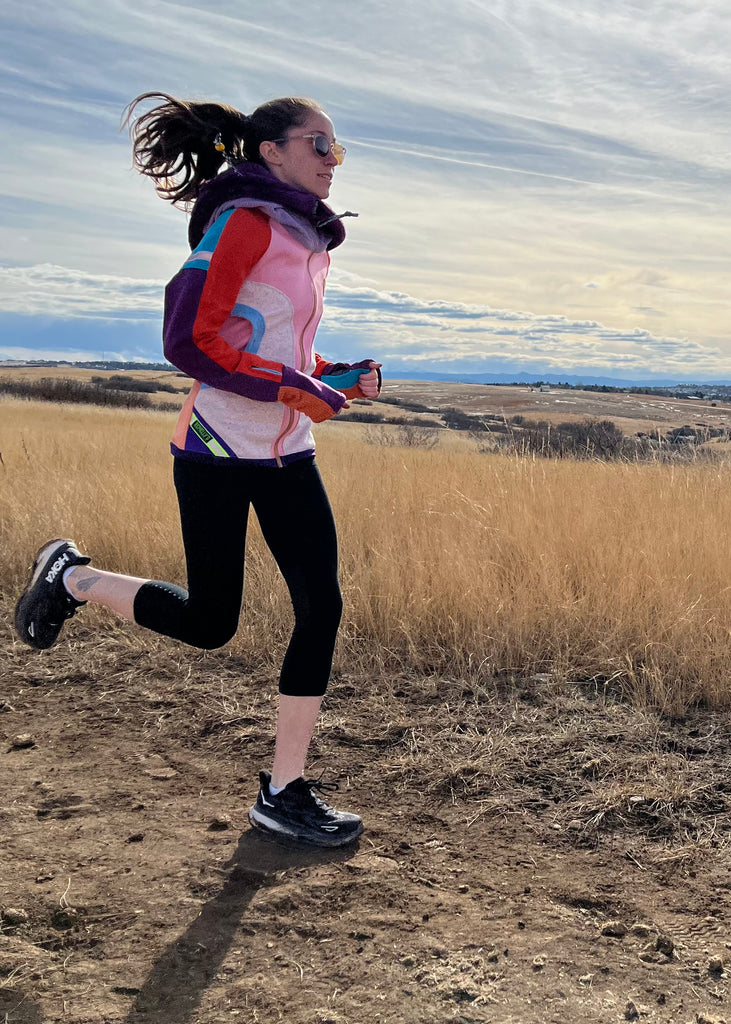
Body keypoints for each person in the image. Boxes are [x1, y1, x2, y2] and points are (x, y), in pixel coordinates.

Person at [14, 92, 382, 848]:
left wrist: (331, 374)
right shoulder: (241, 224)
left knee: (322, 608)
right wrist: (292, 387)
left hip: (286, 455)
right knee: (212, 623)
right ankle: (73, 579)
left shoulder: (305, 243)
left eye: (337, 150)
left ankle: (284, 791)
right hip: (215, 450)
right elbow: (189, 340)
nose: (331, 161)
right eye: (320, 145)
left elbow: (274, 349)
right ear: (270, 151)